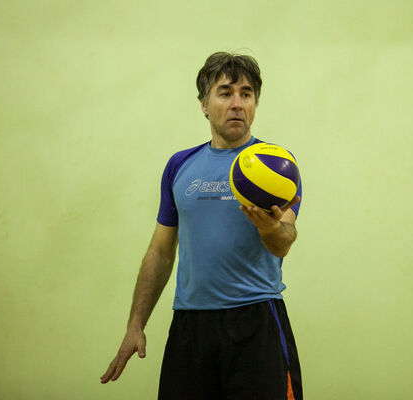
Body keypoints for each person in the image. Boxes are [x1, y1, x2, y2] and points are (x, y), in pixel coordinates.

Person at [100, 51, 303, 400]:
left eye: (246, 94)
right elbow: (161, 253)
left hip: (256, 321)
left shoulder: (277, 165)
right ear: (204, 105)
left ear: (255, 104)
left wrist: (270, 229)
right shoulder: (180, 165)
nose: (237, 103)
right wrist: (136, 324)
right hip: (190, 326)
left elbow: (284, 240)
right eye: (225, 93)